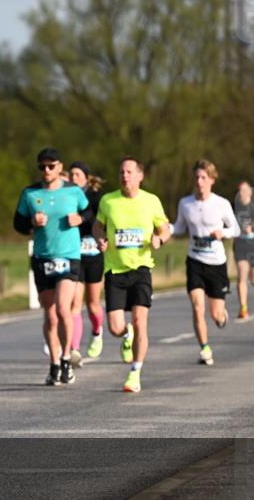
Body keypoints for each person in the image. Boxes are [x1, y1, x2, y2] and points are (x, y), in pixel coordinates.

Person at [92, 157, 172, 393]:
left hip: (141, 269)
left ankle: (135, 373)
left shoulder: (151, 201)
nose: (124, 176)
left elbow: (164, 228)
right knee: (115, 328)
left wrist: (160, 239)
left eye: (129, 172)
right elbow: (98, 225)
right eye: (121, 172)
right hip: (115, 271)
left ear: (140, 176)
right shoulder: (108, 201)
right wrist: (99, 239)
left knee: (140, 321)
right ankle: (127, 335)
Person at [13, 148, 89, 386]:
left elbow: (90, 212)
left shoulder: (73, 191)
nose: (46, 171)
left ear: (59, 167)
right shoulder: (30, 193)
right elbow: (17, 222)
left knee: (64, 309)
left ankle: (67, 358)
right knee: (50, 313)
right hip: (43, 257)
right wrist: (31, 222)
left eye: (51, 166)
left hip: (69, 255)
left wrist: (81, 219)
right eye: (42, 167)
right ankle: (54, 362)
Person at [170, 160, 239, 365]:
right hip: (195, 261)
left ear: (212, 180)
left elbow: (235, 229)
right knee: (197, 305)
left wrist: (222, 233)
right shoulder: (186, 203)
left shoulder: (221, 203)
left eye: (203, 177)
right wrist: (167, 228)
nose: (199, 181)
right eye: (197, 177)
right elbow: (180, 228)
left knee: (215, 315)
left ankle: (221, 316)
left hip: (216, 264)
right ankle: (204, 348)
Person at [68, 161, 106, 364]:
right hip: (75, 256)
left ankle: (97, 331)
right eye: (71, 174)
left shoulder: (96, 197)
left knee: (92, 305)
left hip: (94, 254)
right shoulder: (67, 196)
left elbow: (98, 223)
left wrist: (82, 219)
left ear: (86, 177)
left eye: (77, 174)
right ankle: (74, 349)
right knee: (75, 303)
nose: (73, 178)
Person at [233, 180, 254, 319]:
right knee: (241, 275)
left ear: (250, 192)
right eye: (240, 191)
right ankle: (243, 308)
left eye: (245, 190)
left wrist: (252, 228)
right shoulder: (234, 209)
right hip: (240, 245)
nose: (242, 193)